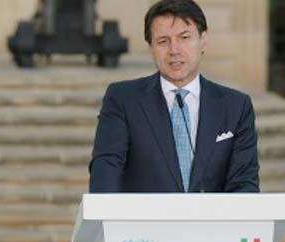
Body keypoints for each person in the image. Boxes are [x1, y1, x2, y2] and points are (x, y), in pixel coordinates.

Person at [89, 0, 259, 193]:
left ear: (203, 40)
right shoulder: (122, 99)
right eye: (163, 41)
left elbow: (245, 184)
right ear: (151, 48)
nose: (174, 50)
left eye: (184, 37)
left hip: (212, 222)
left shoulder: (236, 106)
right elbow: (106, 170)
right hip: (144, 222)